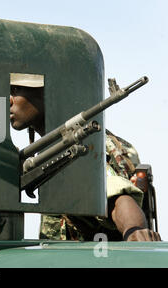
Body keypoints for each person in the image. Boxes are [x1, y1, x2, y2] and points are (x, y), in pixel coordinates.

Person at [9, 73, 161, 242]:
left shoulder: (86, 143)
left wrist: (134, 231)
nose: (8, 100)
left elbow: (115, 196)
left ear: (48, 93)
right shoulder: (49, 150)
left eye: (16, 90)